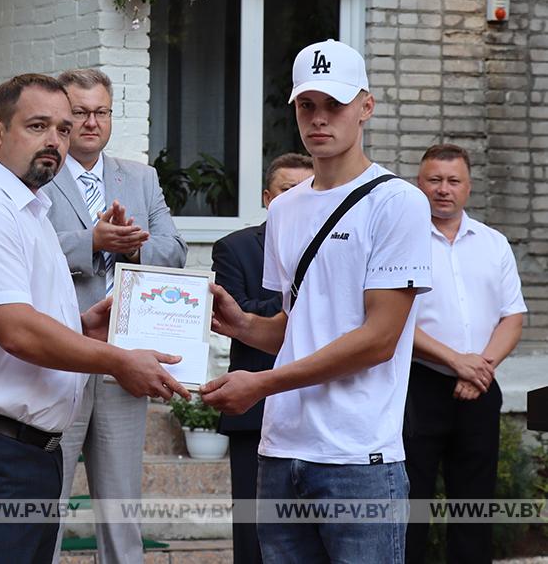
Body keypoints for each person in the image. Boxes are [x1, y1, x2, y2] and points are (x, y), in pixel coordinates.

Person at [0, 73, 191, 564]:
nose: (55, 141)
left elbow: (21, 319)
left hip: (24, 453)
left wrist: (84, 326)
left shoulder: (29, 209)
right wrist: (119, 359)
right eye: (38, 126)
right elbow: (16, 331)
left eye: (62, 129)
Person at [200, 39, 433, 563]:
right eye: (307, 105)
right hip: (280, 451)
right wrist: (241, 325)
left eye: (334, 105)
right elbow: (298, 327)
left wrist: (261, 384)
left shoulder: (397, 203)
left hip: (358, 456)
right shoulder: (286, 209)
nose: (319, 119)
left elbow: (378, 340)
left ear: (365, 107)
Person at [44, 68, 188, 564]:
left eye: (100, 112)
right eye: (79, 113)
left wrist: (132, 248)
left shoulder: (141, 178)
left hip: (124, 356)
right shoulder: (39, 175)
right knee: (48, 501)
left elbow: (176, 249)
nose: (90, 122)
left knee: (122, 505)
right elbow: (26, 248)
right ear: (64, 118)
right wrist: (92, 241)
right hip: (60, 357)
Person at [403, 144, 526, 564]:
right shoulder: (401, 243)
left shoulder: (494, 244)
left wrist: (479, 369)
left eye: (453, 181)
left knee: (473, 507)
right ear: (418, 185)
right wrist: (458, 362)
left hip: (480, 385)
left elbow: (513, 317)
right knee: (411, 505)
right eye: (433, 180)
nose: (443, 190)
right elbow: (394, 319)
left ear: (468, 187)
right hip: (418, 387)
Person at [211, 152, 313, 564]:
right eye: (289, 191)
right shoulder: (234, 247)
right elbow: (235, 311)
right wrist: (300, 303)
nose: (299, 199)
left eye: (309, 190)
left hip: (317, 404)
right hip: (254, 403)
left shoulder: (336, 245)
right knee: (254, 530)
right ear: (268, 197)